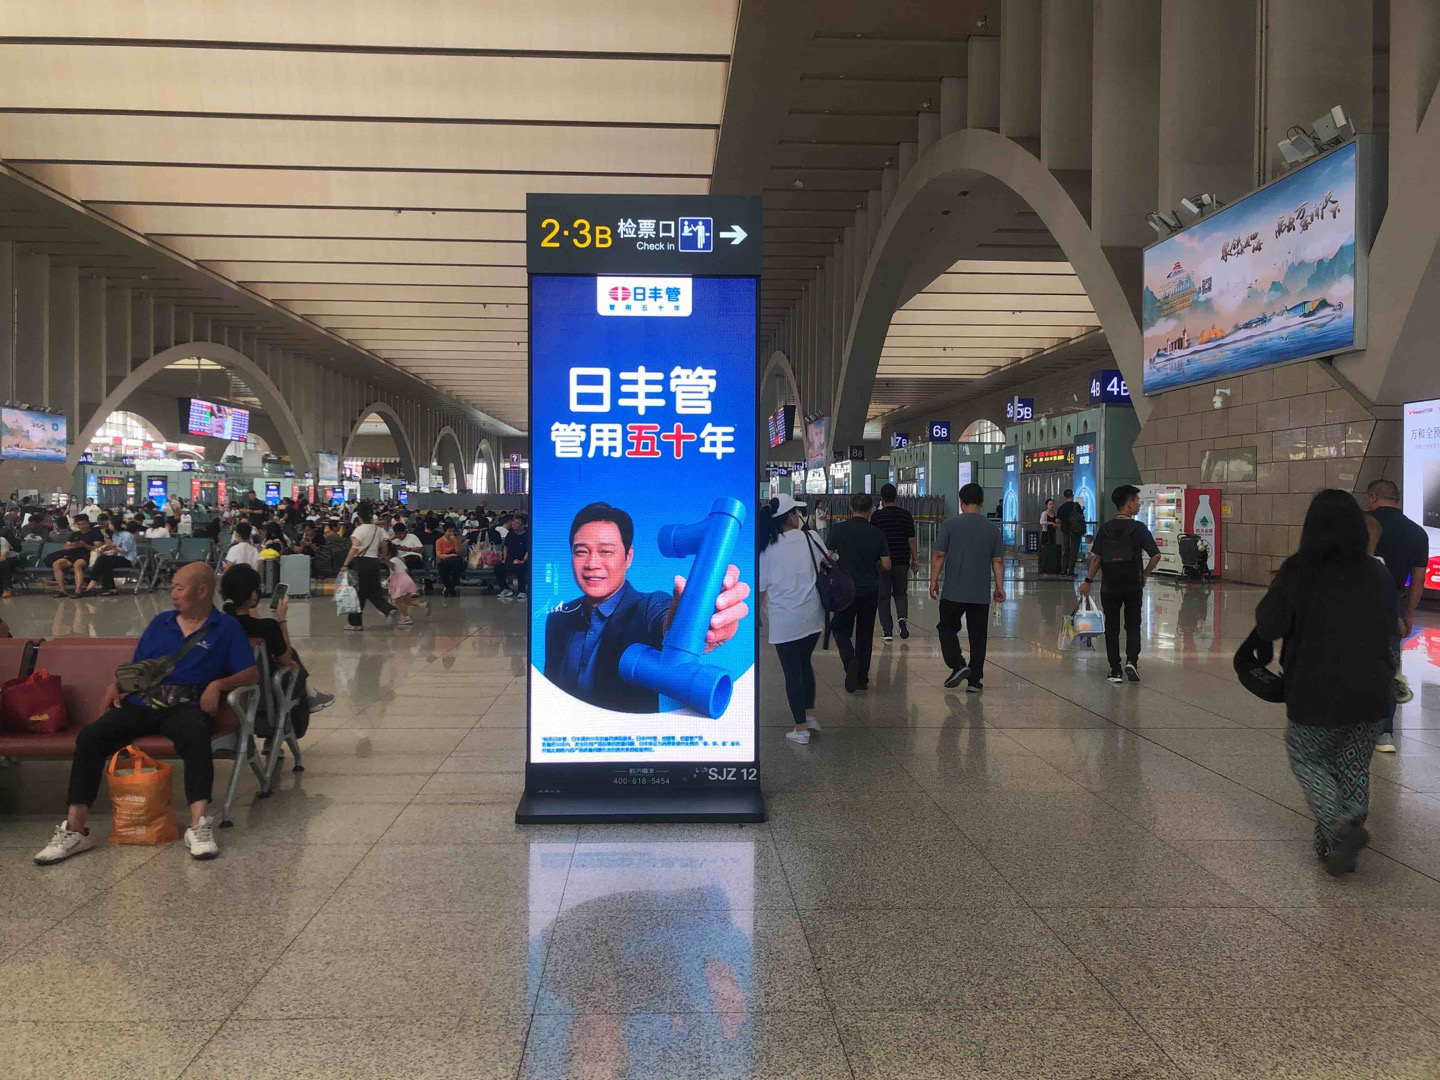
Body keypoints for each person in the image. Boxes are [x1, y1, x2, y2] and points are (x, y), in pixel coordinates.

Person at [33, 562, 260, 865]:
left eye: (179, 588)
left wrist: (218, 685)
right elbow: (139, 669)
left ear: (202, 591)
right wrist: (116, 685)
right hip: (143, 703)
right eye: (173, 587)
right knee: (90, 737)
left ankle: (199, 826)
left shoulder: (226, 628)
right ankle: (74, 830)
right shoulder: (160, 623)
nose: (173, 593)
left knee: (196, 736)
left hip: (186, 706)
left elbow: (251, 673)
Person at [1253, 489, 1397, 876]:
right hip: (1372, 690)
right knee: (1353, 765)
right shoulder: (1377, 571)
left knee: (1308, 757)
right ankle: (1333, 844)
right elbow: (1390, 622)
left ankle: (1339, 824)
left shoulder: (1299, 569)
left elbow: (1268, 624)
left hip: (1315, 689)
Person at [544, 502, 750, 712]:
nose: (592, 564)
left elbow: (664, 621)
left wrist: (695, 627)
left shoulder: (650, 607)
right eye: (581, 552)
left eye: (606, 551)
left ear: (628, 557)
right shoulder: (558, 618)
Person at [219, 563, 333, 726]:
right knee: (291, 658)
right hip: (263, 704)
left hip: (224, 701)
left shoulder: (219, 625)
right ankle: (307, 695)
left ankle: (309, 693)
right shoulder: (267, 627)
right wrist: (281, 619)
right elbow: (285, 659)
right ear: (253, 595)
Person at [1364, 478, 1428, 754]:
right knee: (1388, 666)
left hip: (1357, 602)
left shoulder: (1363, 525)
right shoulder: (1417, 532)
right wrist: (1409, 614)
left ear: (1372, 497)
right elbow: (1418, 579)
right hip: (1394, 606)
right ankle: (1385, 733)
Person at [1078, 484, 1162, 684]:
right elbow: (1156, 555)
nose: (1139, 505)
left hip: (1110, 586)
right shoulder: (1138, 528)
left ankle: (1115, 670)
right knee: (1133, 625)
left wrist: (1087, 581)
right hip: (1133, 585)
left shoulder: (1106, 528)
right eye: (1137, 501)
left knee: (1112, 627)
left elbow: (1097, 559)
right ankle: (1131, 661)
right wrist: (1144, 574)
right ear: (1129, 503)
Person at [758, 495, 825, 745]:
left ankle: (800, 729)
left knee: (792, 672)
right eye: (797, 512)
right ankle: (809, 717)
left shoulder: (766, 548)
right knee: (804, 663)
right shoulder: (811, 538)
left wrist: (756, 616)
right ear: (789, 516)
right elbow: (825, 561)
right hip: (812, 616)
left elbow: (762, 588)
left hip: (784, 619)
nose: (799, 516)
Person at [930, 482, 1005, 691]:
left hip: (953, 591)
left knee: (946, 627)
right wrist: (999, 586)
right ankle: (975, 681)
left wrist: (933, 580)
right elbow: (998, 561)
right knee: (978, 636)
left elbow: (939, 555)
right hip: (980, 593)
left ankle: (958, 664)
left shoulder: (949, 524)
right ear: (982, 502)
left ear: (961, 502)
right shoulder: (992, 528)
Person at [826, 492, 890, 694]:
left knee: (840, 629)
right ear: (870, 510)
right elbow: (887, 564)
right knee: (865, 634)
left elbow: (827, 558)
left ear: (851, 509)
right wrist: (875, 564)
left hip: (845, 590)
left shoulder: (838, 529)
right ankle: (862, 678)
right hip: (870, 589)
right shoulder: (877, 533)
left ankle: (850, 661)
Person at [871, 483, 917, 644]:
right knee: (900, 593)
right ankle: (902, 619)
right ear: (896, 496)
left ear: (882, 498)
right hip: (902, 560)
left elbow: (873, 539)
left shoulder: (877, 516)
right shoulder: (906, 515)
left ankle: (887, 631)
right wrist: (915, 559)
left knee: (883, 596)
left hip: (883, 562)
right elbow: (911, 539)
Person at [339, 502, 397, 631]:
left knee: (358, 593)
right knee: (373, 591)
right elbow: (384, 544)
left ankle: (355, 623)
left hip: (361, 563)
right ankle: (388, 609)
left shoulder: (359, 530)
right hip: (374, 563)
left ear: (359, 516)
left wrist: (346, 563)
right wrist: (383, 556)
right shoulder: (377, 529)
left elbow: (354, 548)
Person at [49, 514, 96, 597]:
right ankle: (62, 590)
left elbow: (97, 548)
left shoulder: (95, 533)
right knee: (56, 564)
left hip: (86, 555)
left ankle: (78, 590)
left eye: (84, 524)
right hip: (73, 555)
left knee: (77, 565)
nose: (82, 526)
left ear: (88, 523)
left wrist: (84, 545)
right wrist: (72, 546)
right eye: (79, 524)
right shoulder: (74, 534)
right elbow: (66, 547)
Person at [88, 519, 138, 595]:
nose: (108, 526)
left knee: (103, 559)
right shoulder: (115, 534)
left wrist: (112, 545)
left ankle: (93, 580)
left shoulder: (127, 535)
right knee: (105, 563)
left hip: (128, 560)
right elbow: (116, 550)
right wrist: (107, 551)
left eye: (110, 524)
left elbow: (124, 551)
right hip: (119, 557)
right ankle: (109, 588)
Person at [387, 547, 426, 625]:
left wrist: (389, 580)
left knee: (399, 602)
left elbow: (393, 573)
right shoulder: (399, 560)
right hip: (407, 580)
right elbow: (406, 570)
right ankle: (422, 605)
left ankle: (406, 617)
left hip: (400, 582)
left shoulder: (391, 561)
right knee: (407, 600)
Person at [1055, 489, 1083, 575]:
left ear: (1064, 497)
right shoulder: (1076, 506)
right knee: (1074, 551)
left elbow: (1058, 520)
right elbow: (1081, 516)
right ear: (1072, 496)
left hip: (1065, 531)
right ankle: (1071, 570)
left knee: (1066, 550)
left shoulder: (1062, 508)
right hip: (1076, 531)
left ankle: (1064, 569)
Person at [500, 516, 529, 599]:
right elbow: (505, 546)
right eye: (513, 522)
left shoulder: (527, 535)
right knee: (498, 567)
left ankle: (522, 591)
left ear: (522, 526)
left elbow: (529, 550)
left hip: (523, 559)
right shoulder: (511, 533)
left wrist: (523, 560)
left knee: (520, 568)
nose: (514, 525)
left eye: (517, 523)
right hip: (511, 558)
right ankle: (506, 588)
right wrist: (505, 558)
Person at [435, 523, 465, 597]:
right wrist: (450, 555)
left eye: (453, 531)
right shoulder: (439, 541)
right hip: (445, 559)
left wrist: (455, 542)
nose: (451, 533)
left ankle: (449, 587)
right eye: (449, 531)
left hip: (456, 560)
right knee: (442, 567)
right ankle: (450, 587)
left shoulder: (457, 539)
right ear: (445, 531)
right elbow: (439, 555)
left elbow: (458, 553)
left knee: (457, 565)